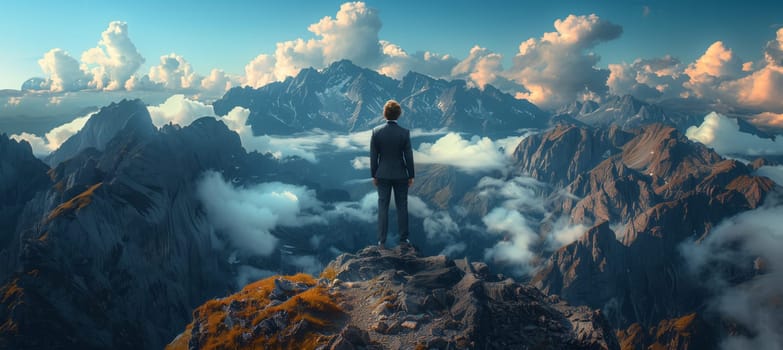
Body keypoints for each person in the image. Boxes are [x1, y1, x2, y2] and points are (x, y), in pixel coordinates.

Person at [370, 100, 415, 249]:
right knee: (402, 206)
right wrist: (411, 175)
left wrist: (374, 175)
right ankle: (404, 239)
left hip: (382, 174)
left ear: (384, 114)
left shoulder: (376, 132)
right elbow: (408, 156)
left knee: (383, 207)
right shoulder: (404, 133)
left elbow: (373, 156)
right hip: (401, 174)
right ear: (399, 114)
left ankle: (381, 242)